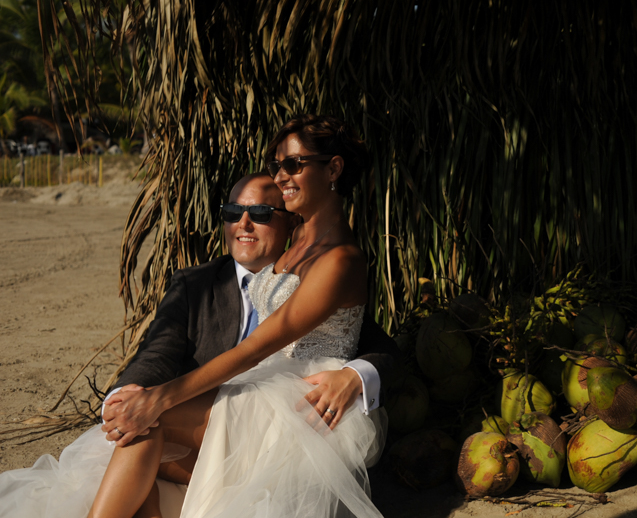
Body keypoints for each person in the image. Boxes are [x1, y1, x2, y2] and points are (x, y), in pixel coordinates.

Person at [0, 115, 391, 518]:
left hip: (298, 406)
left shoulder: (340, 259)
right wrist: (135, 393)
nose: (281, 176)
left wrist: (358, 373)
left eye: (293, 164)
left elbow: (259, 347)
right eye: (276, 165)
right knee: (135, 451)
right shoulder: (291, 244)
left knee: (153, 422)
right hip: (262, 389)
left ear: (334, 168)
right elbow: (159, 351)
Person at [101, 171, 399, 496]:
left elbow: (381, 349)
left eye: (259, 213)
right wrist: (119, 402)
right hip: (202, 434)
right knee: (127, 451)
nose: (243, 224)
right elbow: (155, 355)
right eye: (232, 212)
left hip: (285, 443)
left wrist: (354, 376)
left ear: (290, 222)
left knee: (137, 455)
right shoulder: (194, 285)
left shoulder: (318, 281)